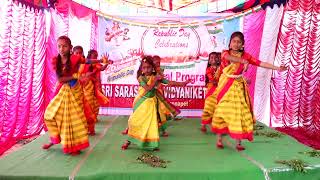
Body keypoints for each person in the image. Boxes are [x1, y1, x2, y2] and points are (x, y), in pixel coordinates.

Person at [203, 31, 287, 151]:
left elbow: (260, 63)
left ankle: (238, 142)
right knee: (223, 110)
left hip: (237, 86)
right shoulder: (225, 53)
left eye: (239, 42)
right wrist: (242, 61)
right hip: (225, 85)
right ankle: (219, 139)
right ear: (230, 43)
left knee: (240, 111)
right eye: (234, 41)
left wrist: (277, 68)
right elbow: (228, 58)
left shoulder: (246, 56)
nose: (236, 44)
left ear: (242, 44)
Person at [42, 36, 91, 155]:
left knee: (73, 119)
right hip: (65, 90)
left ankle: (74, 145)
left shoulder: (75, 59)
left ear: (70, 47)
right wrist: (75, 76)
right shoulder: (56, 60)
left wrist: (102, 61)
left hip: (75, 90)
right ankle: (55, 139)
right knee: (51, 114)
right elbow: (61, 79)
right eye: (59, 46)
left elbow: (87, 61)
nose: (61, 48)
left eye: (64, 46)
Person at [201, 52, 221, 133]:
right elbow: (212, 79)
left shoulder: (221, 68)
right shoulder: (209, 69)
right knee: (208, 106)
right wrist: (217, 80)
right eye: (211, 58)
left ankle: (216, 125)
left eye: (215, 57)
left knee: (217, 107)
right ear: (209, 61)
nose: (213, 59)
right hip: (211, 89)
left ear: (218, 59)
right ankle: (204, 124)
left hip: (219, 89)